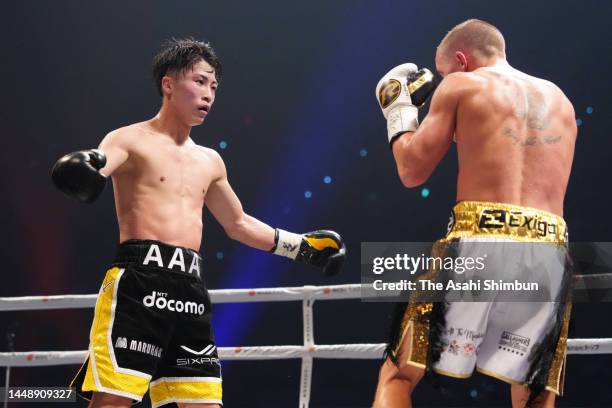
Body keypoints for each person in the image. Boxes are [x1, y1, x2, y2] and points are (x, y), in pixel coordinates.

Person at [51, 38, 345, 408]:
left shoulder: (210, 161)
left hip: (189, 293)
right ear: (168, 84)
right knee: (113, 401)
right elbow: (98, 165)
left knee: (204, 404)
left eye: (214, 87)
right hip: (138, 285)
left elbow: (237, 223)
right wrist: (85, 165)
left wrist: (300, 247)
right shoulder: (129, 138)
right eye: (200, 81)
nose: (209, 94)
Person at [372, 19, 576, 408]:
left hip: (479, 242)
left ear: (461, 60)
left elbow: (411, 170)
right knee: (535, 394)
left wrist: (398, 113)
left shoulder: (461, 84)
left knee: (398, 375)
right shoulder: (561, 100)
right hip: (550, 250)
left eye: (445, 72)